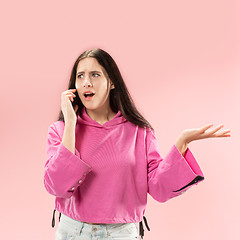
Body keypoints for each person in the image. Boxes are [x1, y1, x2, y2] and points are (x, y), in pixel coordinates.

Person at [43, 48, 231, 240]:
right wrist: (70, 124)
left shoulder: (139, 132)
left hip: (121, 234)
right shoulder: (60, 130)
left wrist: (182, 143)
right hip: (73, 232)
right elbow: (56, 186)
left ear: (112, 82)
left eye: (95, 75)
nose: (86, 83)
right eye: (80, 76)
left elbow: (158, 187)